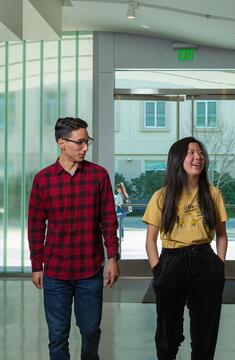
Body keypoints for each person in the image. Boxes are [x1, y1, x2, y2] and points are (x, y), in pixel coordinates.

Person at [28, 117, 120, 360]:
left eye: (87, 141)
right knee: (57, 335)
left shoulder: (98, 176)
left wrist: (113, 258)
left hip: (89, 271)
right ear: (61, 143)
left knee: (90, 331)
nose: (85, 147)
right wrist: (37, 266)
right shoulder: (43, 179)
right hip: (55, 273)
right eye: (79, 142)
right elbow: (36, 226)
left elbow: (109, 221)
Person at [143, 137, 228, 360]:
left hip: (205, 259)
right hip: (171, 261)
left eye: (200, 152)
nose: (197, 157)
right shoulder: (161, 196)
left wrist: (219, 265)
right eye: (191, 153)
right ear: (178, 159)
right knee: (167, 336)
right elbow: (150, 240)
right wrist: (157, 269)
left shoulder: (213, 194)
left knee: (205, 333)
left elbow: (222, 235)